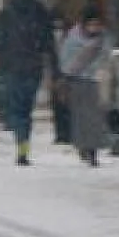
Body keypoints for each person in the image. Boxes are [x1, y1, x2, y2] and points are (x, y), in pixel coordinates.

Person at [0, 0, 62, 166]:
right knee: (26, 109)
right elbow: (50, 45)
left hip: (12, 68)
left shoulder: (6, 15)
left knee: (16, 109)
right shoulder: (40, 14)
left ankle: (21, 142)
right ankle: (23, 146)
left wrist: (0, 66)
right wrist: (55, 70)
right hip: (33, 68)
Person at [60, 6, 114, 167]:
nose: (94, 28)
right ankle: (84, 146)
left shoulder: (104, 39)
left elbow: (107, 57)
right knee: (81, 118)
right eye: (91, 24)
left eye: (97, 24)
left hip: (97, 81)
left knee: (95, 118)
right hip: (78, 81)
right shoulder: (73, 39)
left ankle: (93, 150)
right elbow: (66, 59)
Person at [50, 13, 73, 145]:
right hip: (57, 72)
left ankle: (66, 132)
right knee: (58, 103)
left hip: (67, 72)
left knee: (66, 103)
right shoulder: (49, 38)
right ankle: (61, 133)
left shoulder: (70, 38)